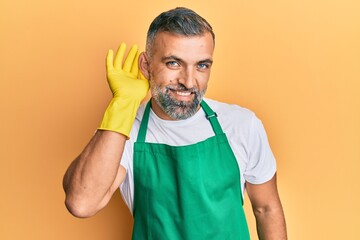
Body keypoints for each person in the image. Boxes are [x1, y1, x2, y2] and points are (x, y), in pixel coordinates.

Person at [63, 7, 287, 239]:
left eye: (202, 65)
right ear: (146, 65)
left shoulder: (241, 125)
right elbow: (81, 203)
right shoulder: (124, 132)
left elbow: (266, 209)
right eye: (173, 63)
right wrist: (123, 104)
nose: (188, 81)